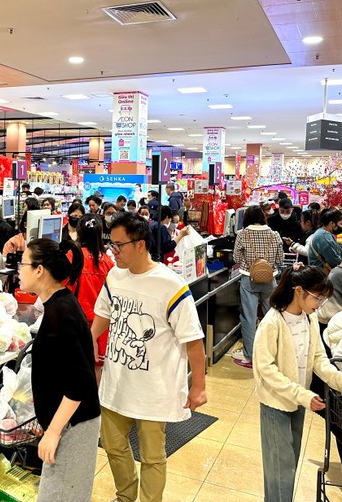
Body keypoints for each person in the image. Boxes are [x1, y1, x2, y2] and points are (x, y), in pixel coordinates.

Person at [91, 213, 207, 502]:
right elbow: (103, 313)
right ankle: (125, 496)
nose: (113, 252)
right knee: (112, 444)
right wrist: (89, 339)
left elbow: (193, 341)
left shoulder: (170, 285)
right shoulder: (114, 276)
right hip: (116, 381)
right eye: (111, 244)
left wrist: (198, 386)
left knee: (152, 455)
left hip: (155, 388)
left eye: (119, 245)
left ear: (140, 244)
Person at [253, 265, 342, 502]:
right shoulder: (272, 322)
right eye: (317, 297)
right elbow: (266, 370)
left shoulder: (310, 319)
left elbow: (319, 360)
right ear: (298, 291)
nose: (320, 304)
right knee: (280, 468)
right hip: (276, 404)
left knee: (289, 463)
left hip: (298, 402)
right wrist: (303, 395)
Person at [18, 238, 100, 502]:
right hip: (69, 421)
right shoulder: (59, 303)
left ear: (39, 270)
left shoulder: (60, 314)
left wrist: (53, 431)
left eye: (23, 264)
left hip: (74, 425)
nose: (19, 270)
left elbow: (78, 384)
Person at [232, 205, 284, 369]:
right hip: (270, 280)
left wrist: (249, 263)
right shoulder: (274, 234)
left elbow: (236, 258)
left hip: (249, 279)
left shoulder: (243, 234)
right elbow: (280, 259)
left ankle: (250, 355)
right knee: (271, 317)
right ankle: (270, 353)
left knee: (249, 317)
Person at [67, 214, 114, 384]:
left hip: (78, 322)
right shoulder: (108, 261)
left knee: (76, 368)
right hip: (102, 324)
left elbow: (65, 290)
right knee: (97, 368)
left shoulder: (73, 256)